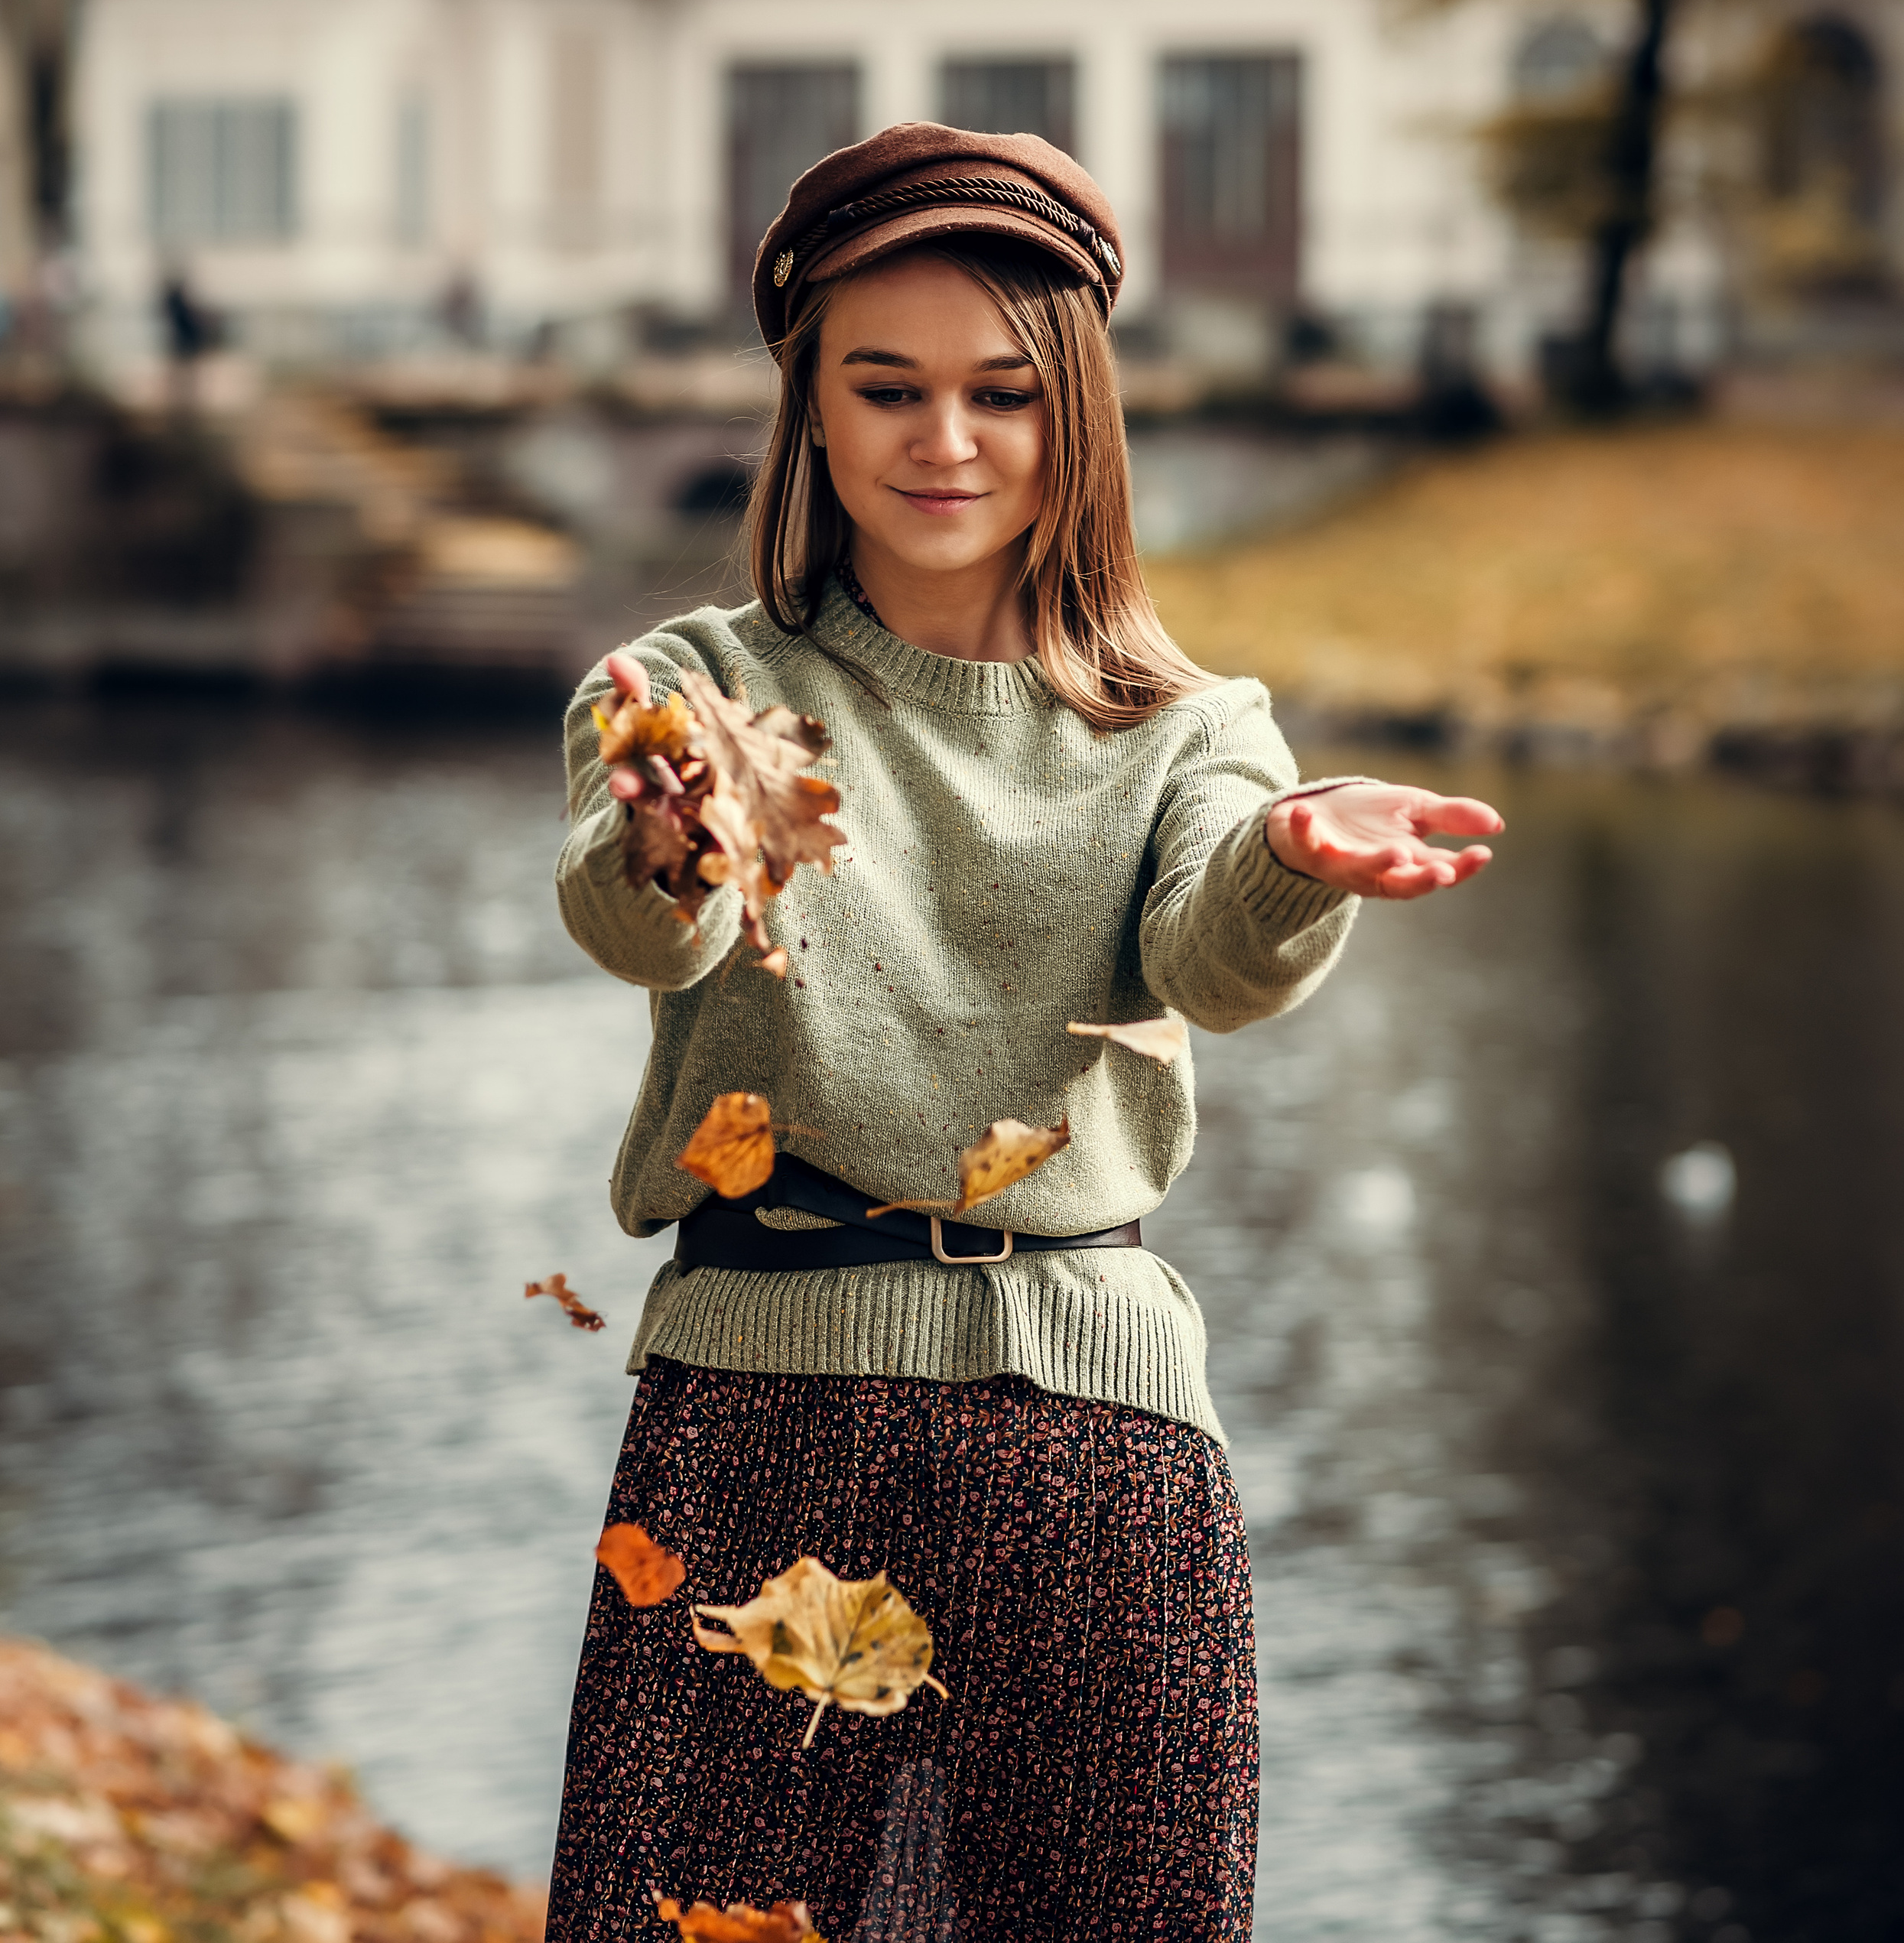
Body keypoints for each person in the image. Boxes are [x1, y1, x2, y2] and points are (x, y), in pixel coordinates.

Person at [546, 124, 1502, 1941]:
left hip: (1097, 1447)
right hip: (759, 1422)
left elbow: (1211, 954)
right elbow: (632, 921)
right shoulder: (686, 687)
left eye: (1001, 392)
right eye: (885, 386)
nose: (946, 439)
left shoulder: (1191, 723)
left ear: (1078, 414)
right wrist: (675, 826)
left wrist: (1292, 854)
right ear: (807, 405)